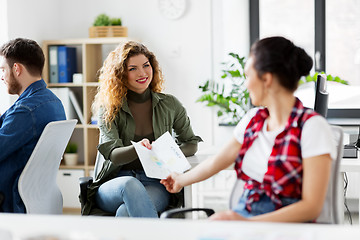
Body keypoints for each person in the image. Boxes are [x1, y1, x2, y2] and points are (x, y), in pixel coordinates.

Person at [161, 36, 335, 222]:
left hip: (285, 226)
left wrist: (245, 224)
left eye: (247, 76)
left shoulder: (312, 127)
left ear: (266, 79)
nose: (245, 84)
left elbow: (311, 208)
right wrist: (180, 180)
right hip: (245, 213)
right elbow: (216, 162)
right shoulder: (253, 121)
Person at [82, 41, 201, 217]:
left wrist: (164, 152)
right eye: (133, 69)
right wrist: (139, 148)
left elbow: (191, 143)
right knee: (130, 184)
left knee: (125, 213)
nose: (142, 73)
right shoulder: (108, 109)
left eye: (146, 65)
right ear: (120, 74)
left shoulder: (170, 104)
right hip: (114, 183)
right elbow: (113, 154)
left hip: (154, 183)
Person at [0, 38, 66, 213]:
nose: (2, 77)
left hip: (10, 197)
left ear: (17, 69)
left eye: (3, 70)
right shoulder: (54, 102)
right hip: (37, 195)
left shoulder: (25, 110)